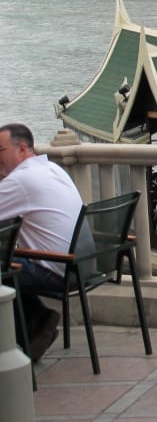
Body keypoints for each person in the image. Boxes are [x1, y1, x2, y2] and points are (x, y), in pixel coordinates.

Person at [0, 123, 83, 362]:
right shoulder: (52, 169)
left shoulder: (22, 180)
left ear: (22, 149)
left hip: (55, 270)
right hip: (80, 266)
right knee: (7, 263)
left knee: (4, 268)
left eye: (0, 150)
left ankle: (31, 328)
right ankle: (37, 323)